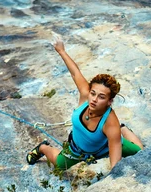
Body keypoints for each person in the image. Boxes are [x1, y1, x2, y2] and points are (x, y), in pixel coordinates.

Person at [26, 34, 144, 170]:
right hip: (76, 150)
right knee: (59, 165)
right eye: (93, 93)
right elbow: (75, 73)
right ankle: (42, 148)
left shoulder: (111, 124)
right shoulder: (85, 95)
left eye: (101, 97)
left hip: (103, 149)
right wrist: (61, 51)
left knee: (140, 152)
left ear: (109, 101)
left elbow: (115, 164)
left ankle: (123, 128)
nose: (94, 99)